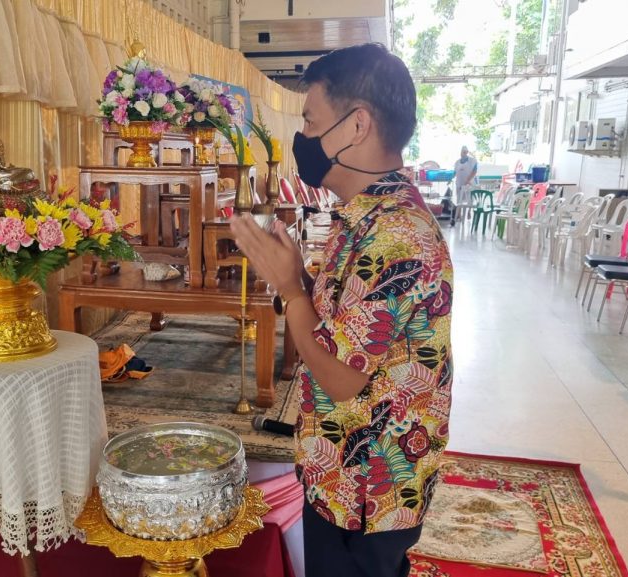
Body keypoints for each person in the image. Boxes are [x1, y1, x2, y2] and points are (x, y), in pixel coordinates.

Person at [230, 43, 453, 577]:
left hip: (368, 484)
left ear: (356, 126)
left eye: (311, 121)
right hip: (345, 470)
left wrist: (290, 289)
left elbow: (340, 377)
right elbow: (345, 326)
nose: (303, 137)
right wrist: (299, 276)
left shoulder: (395, 233)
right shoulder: (366, 215)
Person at [453, 145, 478, 214]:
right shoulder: (457, 162)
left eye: (465, 152)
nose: (463, 153)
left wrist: (468, 180)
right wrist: (449, 179)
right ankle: (459, 214)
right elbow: (454, 172)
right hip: (459, 183)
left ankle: (469, 212)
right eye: (462, 152)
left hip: (469, 183)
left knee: (470, 199)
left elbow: (474, 171)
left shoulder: (472, 161)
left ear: (467, 152)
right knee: (459, 200)